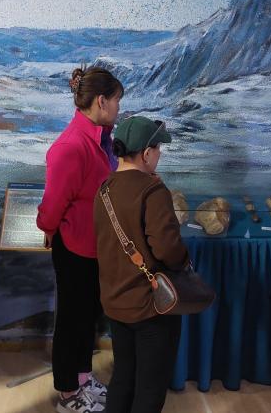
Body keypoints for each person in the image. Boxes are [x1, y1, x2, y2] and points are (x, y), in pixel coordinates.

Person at [37, 66, 124, 413]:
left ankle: (84, 379)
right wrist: (48, 228)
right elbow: (52, 204)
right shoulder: (71, 146)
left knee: (87, 318)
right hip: (74, 248)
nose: (118, 108)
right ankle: (68, 391)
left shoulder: (102, 140)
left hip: (96, 247)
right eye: (116, 101)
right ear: (101, 101)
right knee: (71, 320)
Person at [93, 116, 189, 413]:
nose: (159, 154)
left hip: (116, 303)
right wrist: (184, 260)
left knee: (123, 377)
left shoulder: (104, 189)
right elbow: (168, 249)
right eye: (158, 149)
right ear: (146, 153)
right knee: (150, 388)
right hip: (150, 307)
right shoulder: (153, 191)